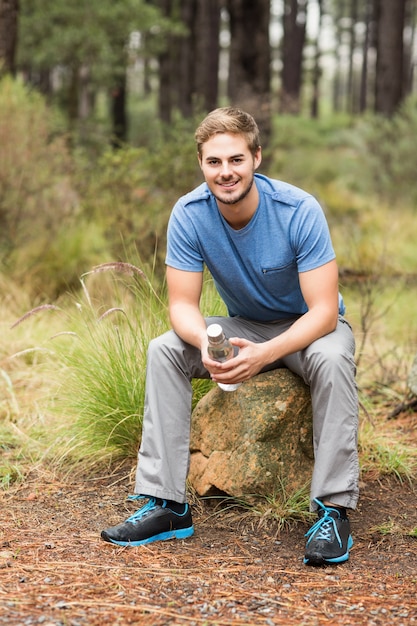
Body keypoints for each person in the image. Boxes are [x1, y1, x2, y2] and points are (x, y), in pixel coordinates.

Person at [101, 107, 359, 566]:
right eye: (214, 162)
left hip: (310, 330)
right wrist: (205, 342)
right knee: (165, 349)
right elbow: (182, 304)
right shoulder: (189, 212)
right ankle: (168, 505)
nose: (226, 172)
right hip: (245, 326)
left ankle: (333, 510)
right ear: (201, 164)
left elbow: (323, 311)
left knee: (334, 359)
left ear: (257, 157)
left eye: (236, 159)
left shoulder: (299, 210)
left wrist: (265, 355)